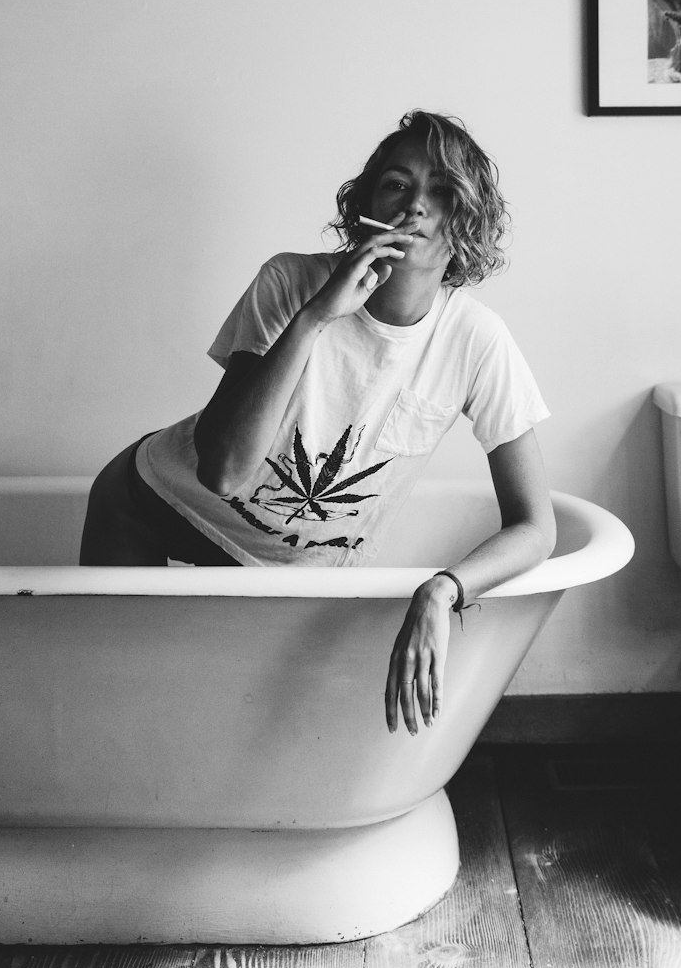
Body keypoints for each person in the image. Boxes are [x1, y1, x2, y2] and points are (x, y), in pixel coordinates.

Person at [80, 110, 555, 735]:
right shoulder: (290, 281)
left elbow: (536, 527)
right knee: (118, 694)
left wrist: (443, 589)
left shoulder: (477, 342)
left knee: (233, 721)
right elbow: (225, 472)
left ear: (466, 222)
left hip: (285, 568)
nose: (415, 204)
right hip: (153, 503)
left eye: (440, 191)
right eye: (396, 183)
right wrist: (315, 317)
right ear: (367, 203)